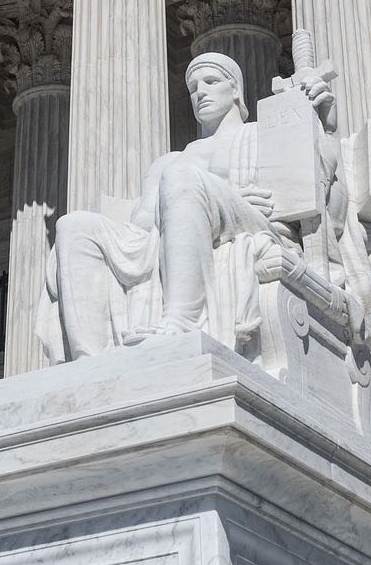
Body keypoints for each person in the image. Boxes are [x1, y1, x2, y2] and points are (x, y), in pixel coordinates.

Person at [47, 52, 305, 359]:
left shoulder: (260, 136)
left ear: (235, 89)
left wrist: (320, 116)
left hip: (250, 223)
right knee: (73, 225)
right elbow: (141, 225)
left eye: (211, 82)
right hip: (167, 232)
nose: (200, 93)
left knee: (182, 178)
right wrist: (209, 193)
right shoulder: (170, 161)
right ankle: (89, 358)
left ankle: (183, 318)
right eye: (194, 88)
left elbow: (319, 185)